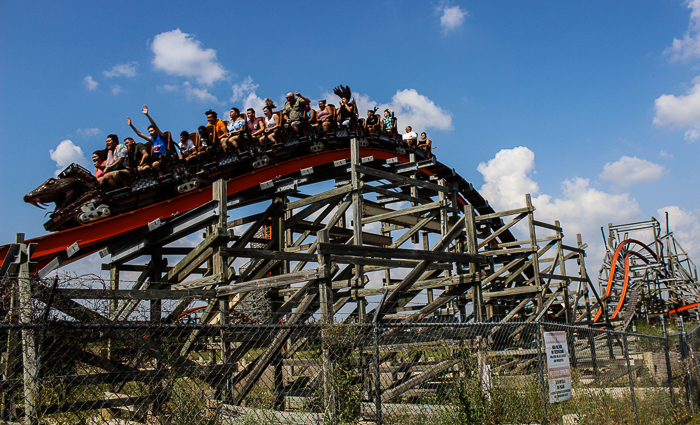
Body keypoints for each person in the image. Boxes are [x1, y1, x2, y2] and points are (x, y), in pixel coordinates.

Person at [127, 105, 171, 175]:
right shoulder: (152, 140)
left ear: (156, 131)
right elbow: (139, 134)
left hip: (165, 156)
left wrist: (147, 115)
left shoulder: (161, 136)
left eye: (152, 131)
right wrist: (131, 125)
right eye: (149, 132)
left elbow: (154, 125)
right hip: (157, 159)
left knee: (155, 164)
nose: (150, 133)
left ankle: (162, 176)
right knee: (147, 166)